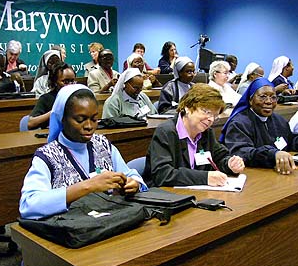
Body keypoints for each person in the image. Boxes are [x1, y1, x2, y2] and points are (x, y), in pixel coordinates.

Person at [19, 84, 147, 219]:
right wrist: (88, 186)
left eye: (94, 119)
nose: (89, 126)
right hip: (76, 230)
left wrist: (134, 183)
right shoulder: (47, 156)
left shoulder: (102, 144)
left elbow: (130, 174)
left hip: (111, 222)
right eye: (80, 120)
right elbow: (29, 204)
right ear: (62, 119)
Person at [144, 84, 245, 187]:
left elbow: (219, 157)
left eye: (215, 116)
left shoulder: (206, 132)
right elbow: (163, 174)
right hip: (165, 196)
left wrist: (230, 164)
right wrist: (205, 178)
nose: (211, 119)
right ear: (187, 107)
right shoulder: (166, 132)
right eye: (206, 112)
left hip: (194, 193)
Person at [221, 77, 298, 175]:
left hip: (280, 171)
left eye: (273, 97)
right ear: (250, 100)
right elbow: (241, 152)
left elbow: (290, 140)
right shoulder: (239, 123)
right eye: (263, 96)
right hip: (254, 176)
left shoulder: (278, 120)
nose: (269, 101)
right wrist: (272, 154)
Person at [28, 63, 76, 130]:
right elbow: (30, 123)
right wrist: (54, 112)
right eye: (65, 82)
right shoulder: (46, 99)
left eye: (72, 81)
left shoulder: (79, 98)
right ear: (55, 82)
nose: (70, 85)